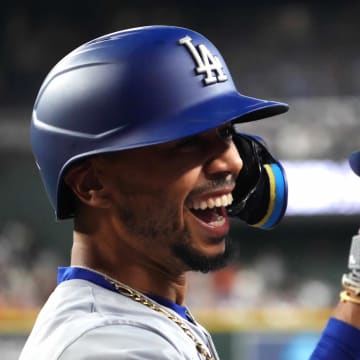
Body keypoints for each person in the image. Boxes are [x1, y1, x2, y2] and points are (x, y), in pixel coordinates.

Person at [19, 25, 360, 359]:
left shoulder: (141, 314)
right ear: (92, 184)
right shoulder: (102, 346)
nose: (233, 161)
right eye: (186, 143)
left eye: (226, 132)